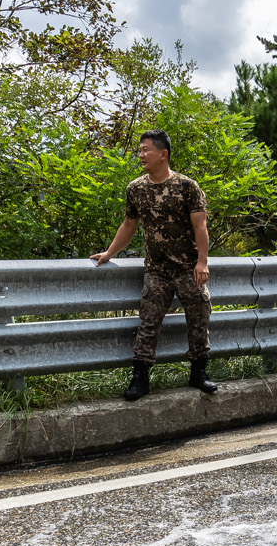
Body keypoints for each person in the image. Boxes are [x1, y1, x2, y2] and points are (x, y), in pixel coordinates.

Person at [91, 129, 218, 401]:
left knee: (199, 319)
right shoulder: (136, 189)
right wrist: (110, 253)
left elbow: (200, 226)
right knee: (148, 324)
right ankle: (140, 378)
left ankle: (199, 373)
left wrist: (202, 262)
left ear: (163, 154)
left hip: (187, 269)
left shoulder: (187, 187)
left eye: (146, 149)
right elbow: (129, 225)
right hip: (157, 271)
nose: (141, 155)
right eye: (139, 150)